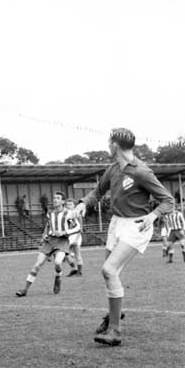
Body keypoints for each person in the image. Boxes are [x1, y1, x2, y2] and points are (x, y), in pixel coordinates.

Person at [74, 128, 174, 346]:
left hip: (136, 225)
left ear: (114, 145)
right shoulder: (113, 169)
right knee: (110, 273)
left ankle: (115, 331)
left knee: (109, 270)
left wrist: (152, 215)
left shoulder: (141, 171)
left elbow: (168, 200)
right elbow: (97, 192)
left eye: (109, 142)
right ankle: (114, 314)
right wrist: (83, 204)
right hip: (116, 223)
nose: (108, 146)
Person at [15, 191, 80, 297]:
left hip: (62, 242)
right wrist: (44, 235)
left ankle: (58, 277)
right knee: (37, 265)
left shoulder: (68, 213)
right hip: (49, 241)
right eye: (54, 198)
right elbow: (48, 226)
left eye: (58, 198)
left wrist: (65, 232)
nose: (55, 200)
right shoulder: (50, 213)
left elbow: (78, 227)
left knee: (58, 263)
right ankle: (24, 290)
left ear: (63, 201)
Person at [64, 198, 84, 276]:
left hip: (76, 237)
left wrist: (76, 239)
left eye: (70, 204)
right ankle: (74, 269)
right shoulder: (65, 215)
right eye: (67, 204)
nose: (68, 206)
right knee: (64, 253)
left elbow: (80, 229)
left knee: (77, 255)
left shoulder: (77, 215)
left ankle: (79, 272)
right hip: (68, 237)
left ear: (74, 206)